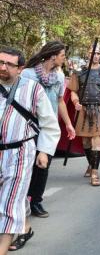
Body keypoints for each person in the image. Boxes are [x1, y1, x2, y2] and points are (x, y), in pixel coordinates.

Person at [0, 48, 60, 253]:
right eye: (0, 62)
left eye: (9, 64)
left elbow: (49, 124)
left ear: (20, 69)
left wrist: (44, 151)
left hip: (20, 152)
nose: (2, 67)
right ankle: (24, 227)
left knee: (9, 200)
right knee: (12, 196)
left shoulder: (33, 89)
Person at [19, 41, 75, 221]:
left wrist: (68, 124)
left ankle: (36, 200)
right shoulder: (27, 74)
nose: (64, 59)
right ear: (53, 56)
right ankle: (22, 198)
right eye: (62, 55)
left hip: (48, 127)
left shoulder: (59, 77)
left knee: (44, 164)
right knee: (28, 163)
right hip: (28, 125)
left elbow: (60, 102)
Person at [67, 44, 100, 186]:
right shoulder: (78, 73)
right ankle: (91, 164)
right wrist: (76, 101)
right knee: (85, 142)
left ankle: (95, 173)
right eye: (93, 53)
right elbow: (73, 91)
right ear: (88, 55)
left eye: (98, 53)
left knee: (96, 141)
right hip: (83, 109)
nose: (95, 56)